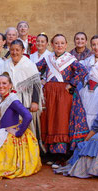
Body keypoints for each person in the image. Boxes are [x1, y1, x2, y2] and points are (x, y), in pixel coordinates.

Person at [34, 34, 89, 166]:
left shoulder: (70, 60)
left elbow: (83, 71)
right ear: (52, 45)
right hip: (49, 93)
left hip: (64, 95)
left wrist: (72, 83)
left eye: (62, 43)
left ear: (66, 45)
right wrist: (40, 80)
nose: (59, 46)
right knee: (49, 120)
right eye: (56, 43)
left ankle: (61, 155)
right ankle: (49, 154)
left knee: (61, 121)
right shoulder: (47, 59)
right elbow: (33, 69)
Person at [2, 40, 42, 144]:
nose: (14, 52)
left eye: (17, 50)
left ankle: (29, 151)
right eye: (12, 50)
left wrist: (35, 101)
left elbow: (36, 84)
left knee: (26, 126)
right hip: (10, 100)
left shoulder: (29, 64)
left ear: (23, 50)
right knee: (10, 125)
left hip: (26, 100)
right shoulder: (6, 64)